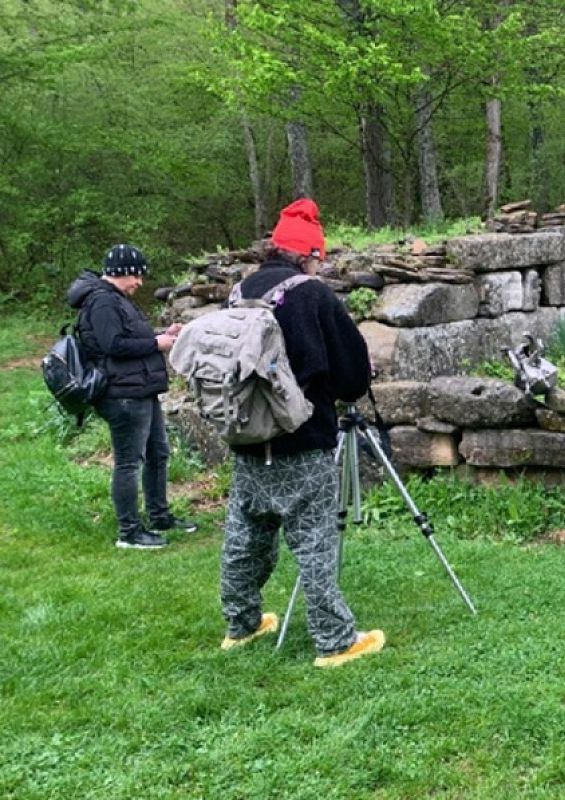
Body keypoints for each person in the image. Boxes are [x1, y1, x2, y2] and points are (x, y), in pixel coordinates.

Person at [215, 198, 385, 668]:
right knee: (315, 543)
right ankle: (335, 641)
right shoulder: (313, 295)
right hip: (302, 440)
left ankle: (241, 625)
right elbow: (352, 377)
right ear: (308, 253)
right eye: (319, 255)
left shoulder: (240, 291)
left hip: (247, 436)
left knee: (244, 539)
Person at [68, 244, 197, 550]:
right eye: (136, 275)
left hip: (141, 389)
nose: (140, 282)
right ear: (120, 272)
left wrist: (164, 332)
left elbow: (130, 335)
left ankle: (159, 515)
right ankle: (129, 531)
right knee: (129, 462)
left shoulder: (117, 300)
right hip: (121, 394)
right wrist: (157, 343)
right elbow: (114, 345)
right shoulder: (102, 302)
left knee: (158, 454)